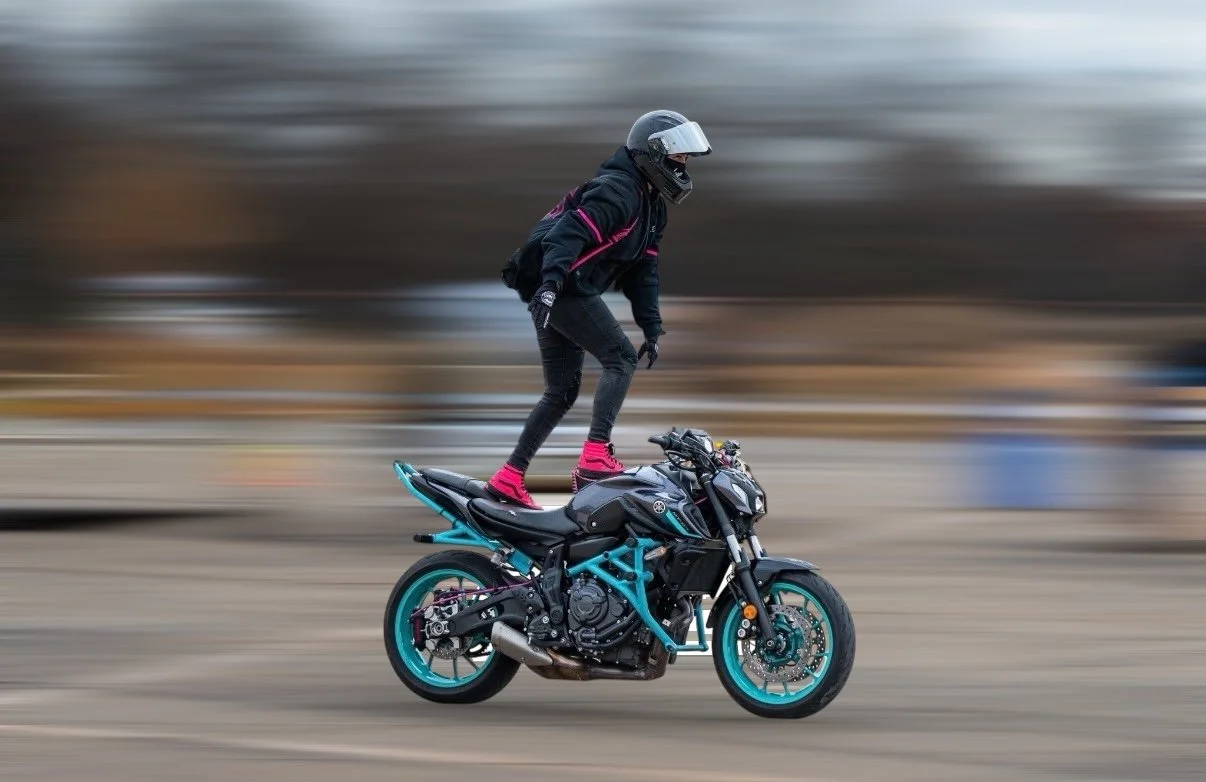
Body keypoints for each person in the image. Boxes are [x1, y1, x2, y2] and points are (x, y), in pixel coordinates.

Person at [488, 109, 712, 509]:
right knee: (620, 358)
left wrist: (652, 326)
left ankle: (508, 477)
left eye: (686, 158)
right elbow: (564, 237)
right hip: (559, 287)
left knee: (560, 391)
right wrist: (552, 286)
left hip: (555, 289)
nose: (684, 165)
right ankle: (595, 455)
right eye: (678, 157)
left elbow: (644, 271)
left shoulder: (651, 206)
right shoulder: (619, 192)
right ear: (653, 154)